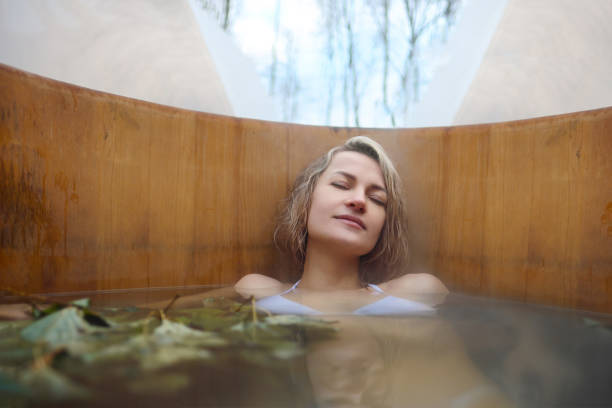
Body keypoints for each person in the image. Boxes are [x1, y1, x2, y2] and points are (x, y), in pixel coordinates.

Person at [234, 135, 448, 315]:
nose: (360, 200)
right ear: (306, 200)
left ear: (383, 226)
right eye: (341, 185)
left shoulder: (419, 293)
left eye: (377, 199)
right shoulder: (255, 291)